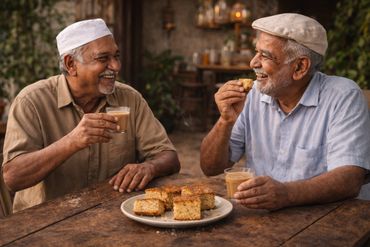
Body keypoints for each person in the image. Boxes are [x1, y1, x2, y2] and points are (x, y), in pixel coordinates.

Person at [2, 19, 180, 212]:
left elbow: (169, 157)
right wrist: (72, 141)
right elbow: (13, 177)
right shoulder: (31, 102)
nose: (115, 66)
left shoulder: (130, 99)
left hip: (110, 218)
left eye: (116, 56)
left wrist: (150, 167)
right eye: (103, 59)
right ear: (71, 64)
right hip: (44, 226)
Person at [200, 13, 370, 210]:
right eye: (256, 52)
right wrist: (225, 121)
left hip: (333, 219)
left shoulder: (343, 96)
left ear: (300, 67)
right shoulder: (253, 96)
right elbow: (210, 168)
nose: (253, 63)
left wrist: (286, 194)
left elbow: (349, 179)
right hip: (269, 221)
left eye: (265, 55)